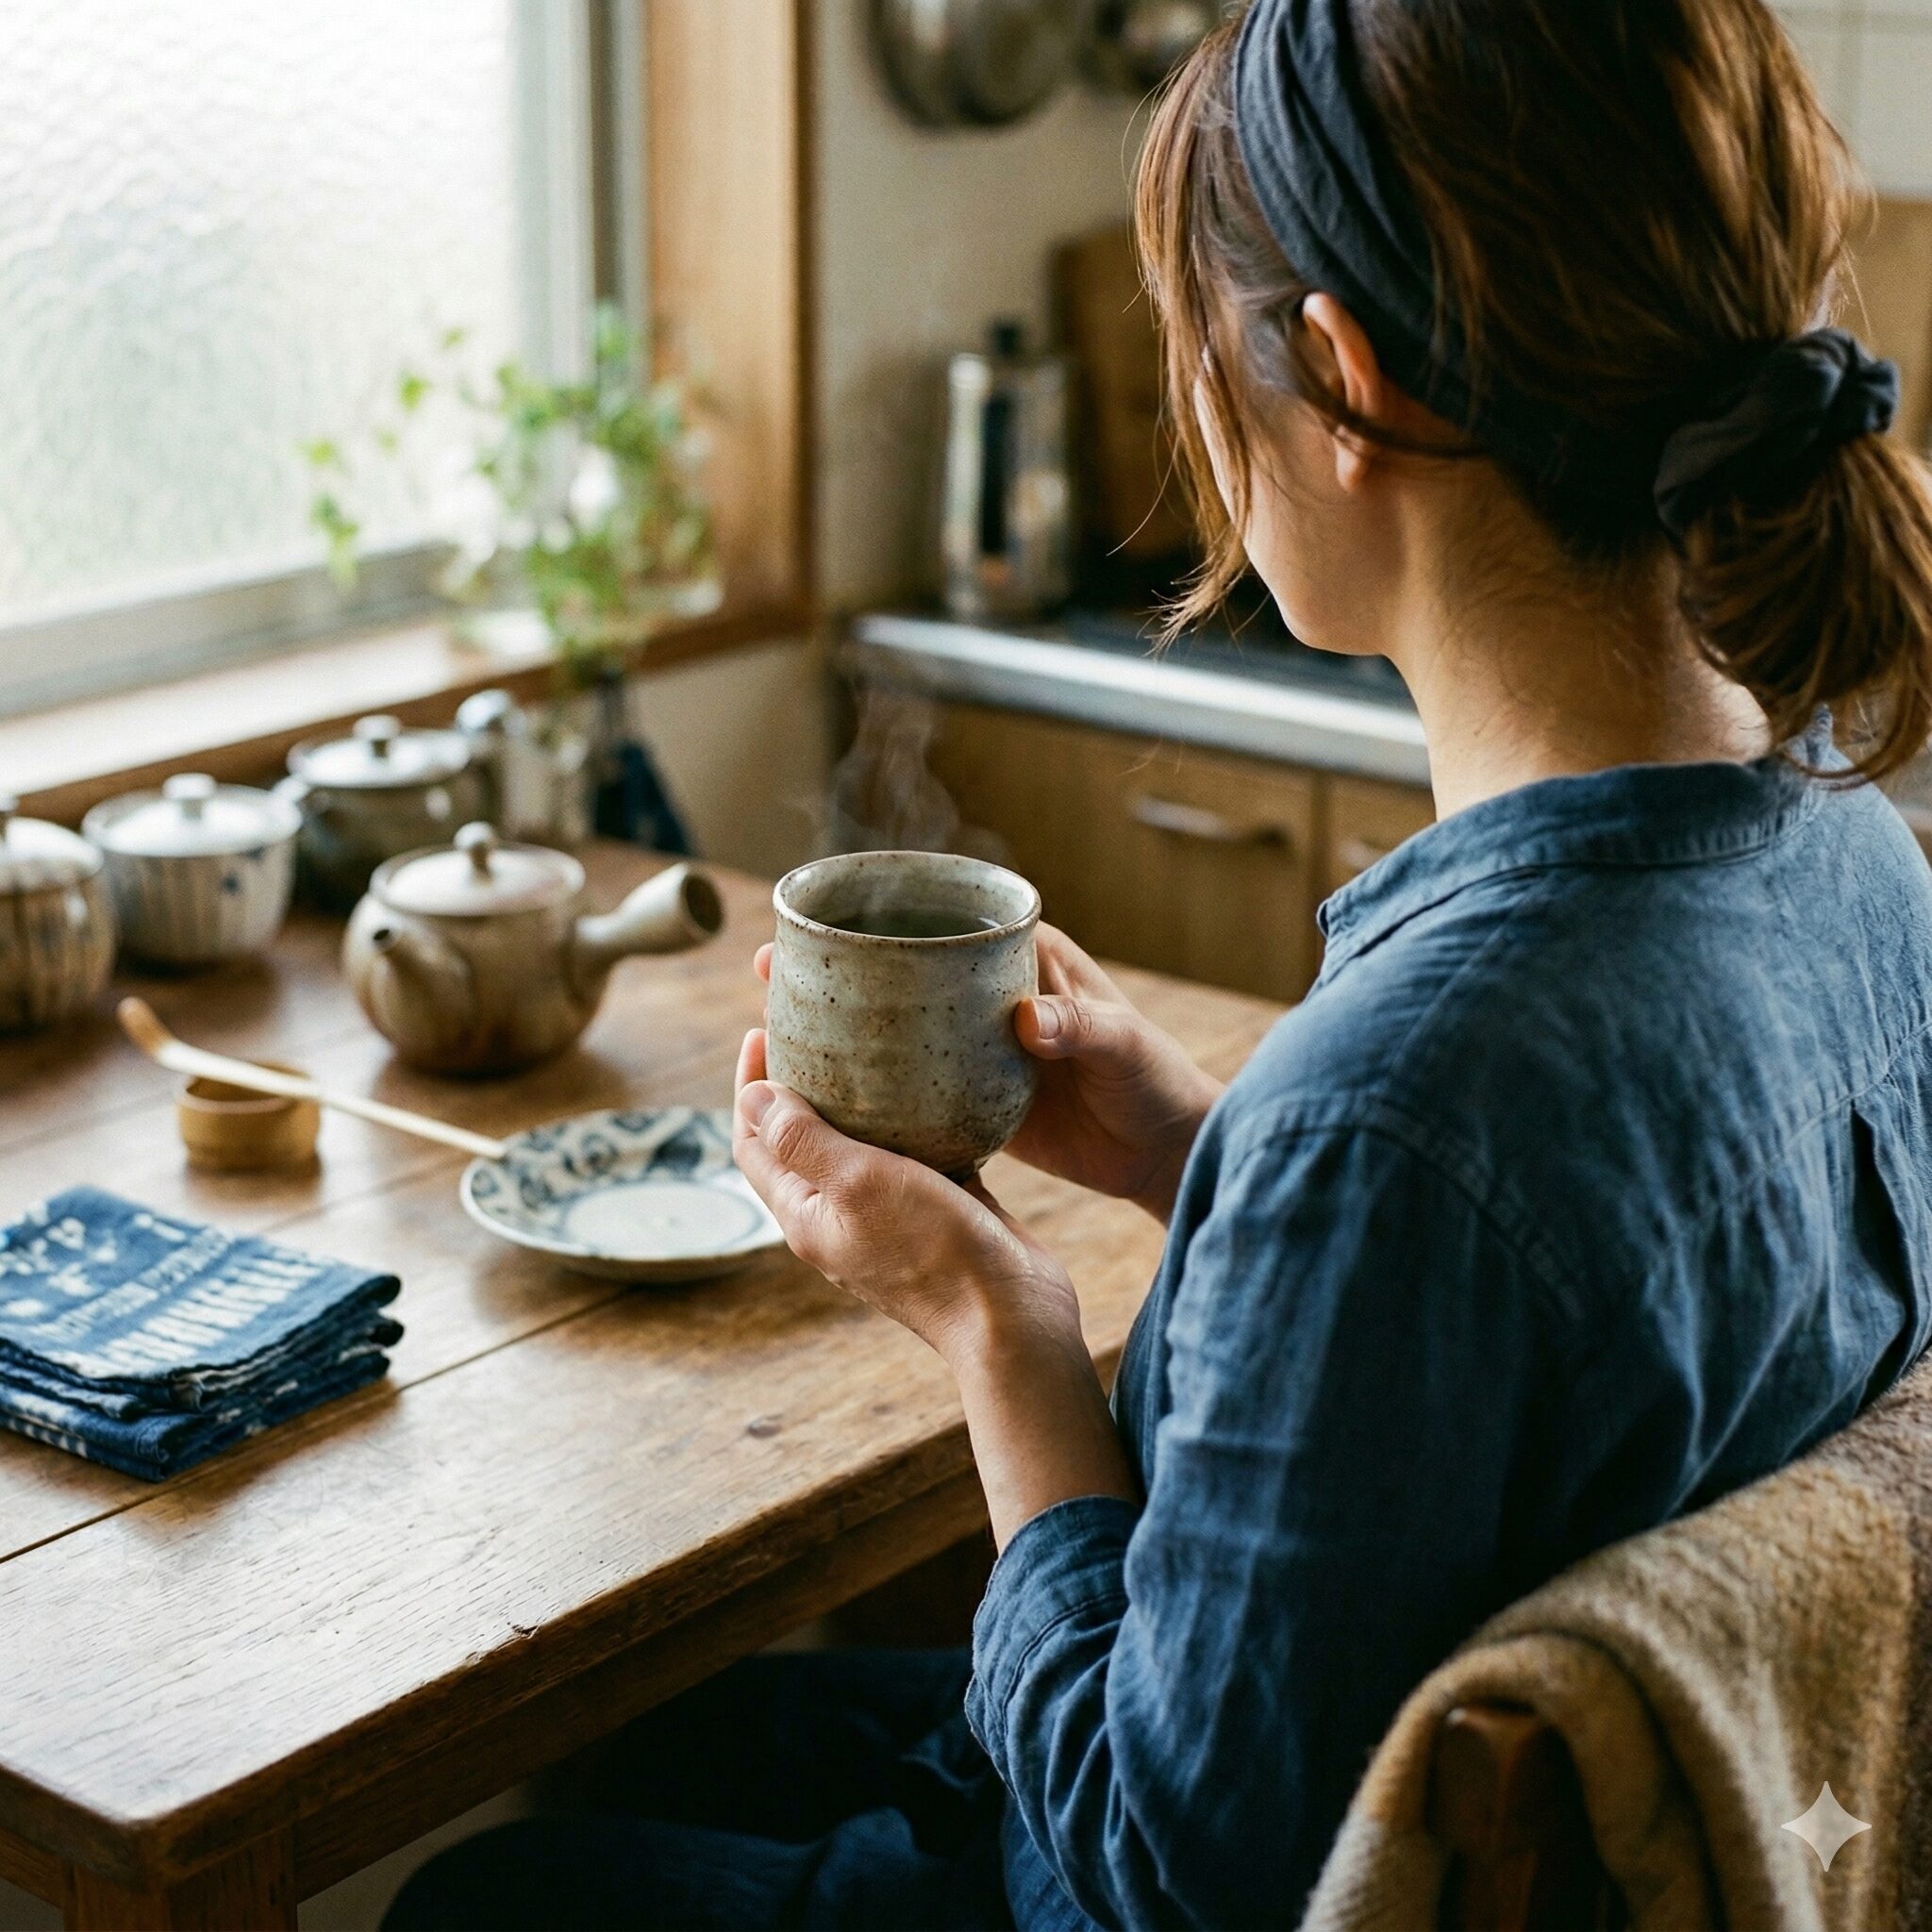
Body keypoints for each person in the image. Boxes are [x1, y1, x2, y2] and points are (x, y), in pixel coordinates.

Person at [388, 0, 1932, 1925]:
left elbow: (1167, 1877)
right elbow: (1558, 1364)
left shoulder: (1393, 1109)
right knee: (702, 1746)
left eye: (1192, 347)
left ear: (1343, 377)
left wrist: (995, 1328)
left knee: (498, 1898)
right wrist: (1198, 1156)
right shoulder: (1864, 866)